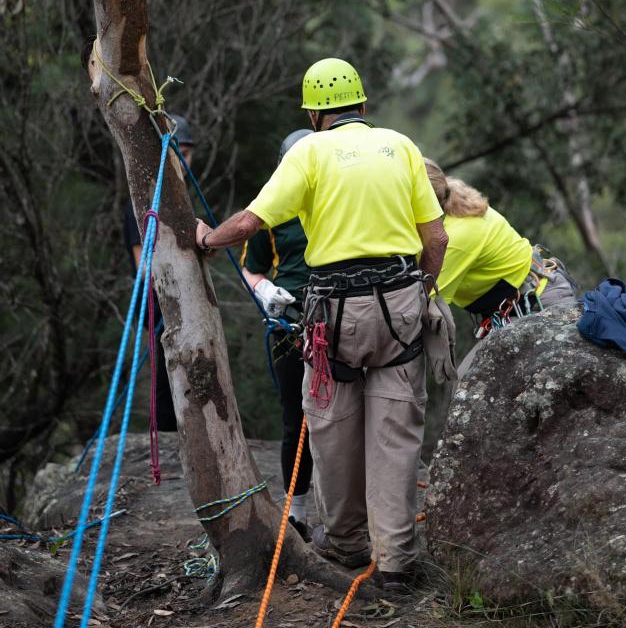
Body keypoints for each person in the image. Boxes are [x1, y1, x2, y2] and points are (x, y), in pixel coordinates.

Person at [195, 58, 447, 592]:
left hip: (336, 312)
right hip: (400, 304)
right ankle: (398, 560)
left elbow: (249, 223)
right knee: (397, 433)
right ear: (362, 105)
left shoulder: (307, 152)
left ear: (313, 113)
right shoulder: (400, 146)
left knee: (331, 427)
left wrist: (206, 238)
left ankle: (347, 542)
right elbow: (438, 238)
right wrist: (421, 290)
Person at [424, 158, 578, 376]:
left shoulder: (452, 238)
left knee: (468, 384)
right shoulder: (450, 196)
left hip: (538, 307)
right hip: (529, 301)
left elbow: (425, 306)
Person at [240, 129, 314, 541]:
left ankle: (352, 516)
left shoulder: (338, 194)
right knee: (296, 418)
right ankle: (297, 514)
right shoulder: (273, 205)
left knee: (346, 417)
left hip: (339, 311)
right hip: (289, 319)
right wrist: (265, 290)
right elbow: (252, 268)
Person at [123, 114, 195, 431]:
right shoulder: (142, 202)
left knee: (197, 373)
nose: (184, 160)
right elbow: (144, 268)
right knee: (166, 378)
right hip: (159, 302)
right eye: (179, 151)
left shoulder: (187, 199)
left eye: (189, 152)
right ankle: (166, 438)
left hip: (190, 298)